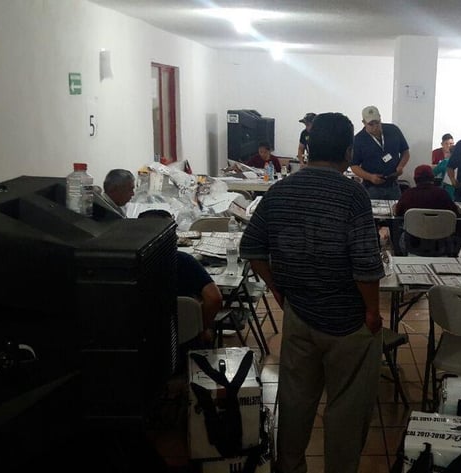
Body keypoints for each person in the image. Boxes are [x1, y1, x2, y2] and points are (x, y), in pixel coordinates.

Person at [240, 112, 384, 473]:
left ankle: (289, 467)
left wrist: (279, 292)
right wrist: (372, 312)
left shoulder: (281, 190)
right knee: (346, 410)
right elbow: (366, 265)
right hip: (348, 321)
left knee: (294, 402)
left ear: (308, 148)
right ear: (349, 152)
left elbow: (252, 246)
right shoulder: (353, 194)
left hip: (300, 314)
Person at [138, 209, 221, 345]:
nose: (176, 237)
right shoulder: (182, 261)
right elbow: (214, 298)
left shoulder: (127, 264)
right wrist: (202, 328)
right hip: (186, 336)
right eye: (171, 233)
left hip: (143, 340)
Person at [394, 164, 461, 256]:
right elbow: (455, 215)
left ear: (415, 179)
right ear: (432, 178)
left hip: (413, 245)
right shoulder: (443, 194)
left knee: (397, 227)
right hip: (441, 245)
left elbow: (397, 213)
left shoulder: (408, 194)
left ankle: (398, 257)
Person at [351, 105, 410, 200]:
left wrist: (401, 166)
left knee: (397, 212)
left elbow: (405, 152)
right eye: (371, 124)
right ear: (364, 122)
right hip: (371, 188)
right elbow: (354, 166)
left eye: (377, 123)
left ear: (380, 118)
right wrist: (370, 177)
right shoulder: (358, 140)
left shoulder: (393, 130)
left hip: (393, 185)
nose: (375, 127)